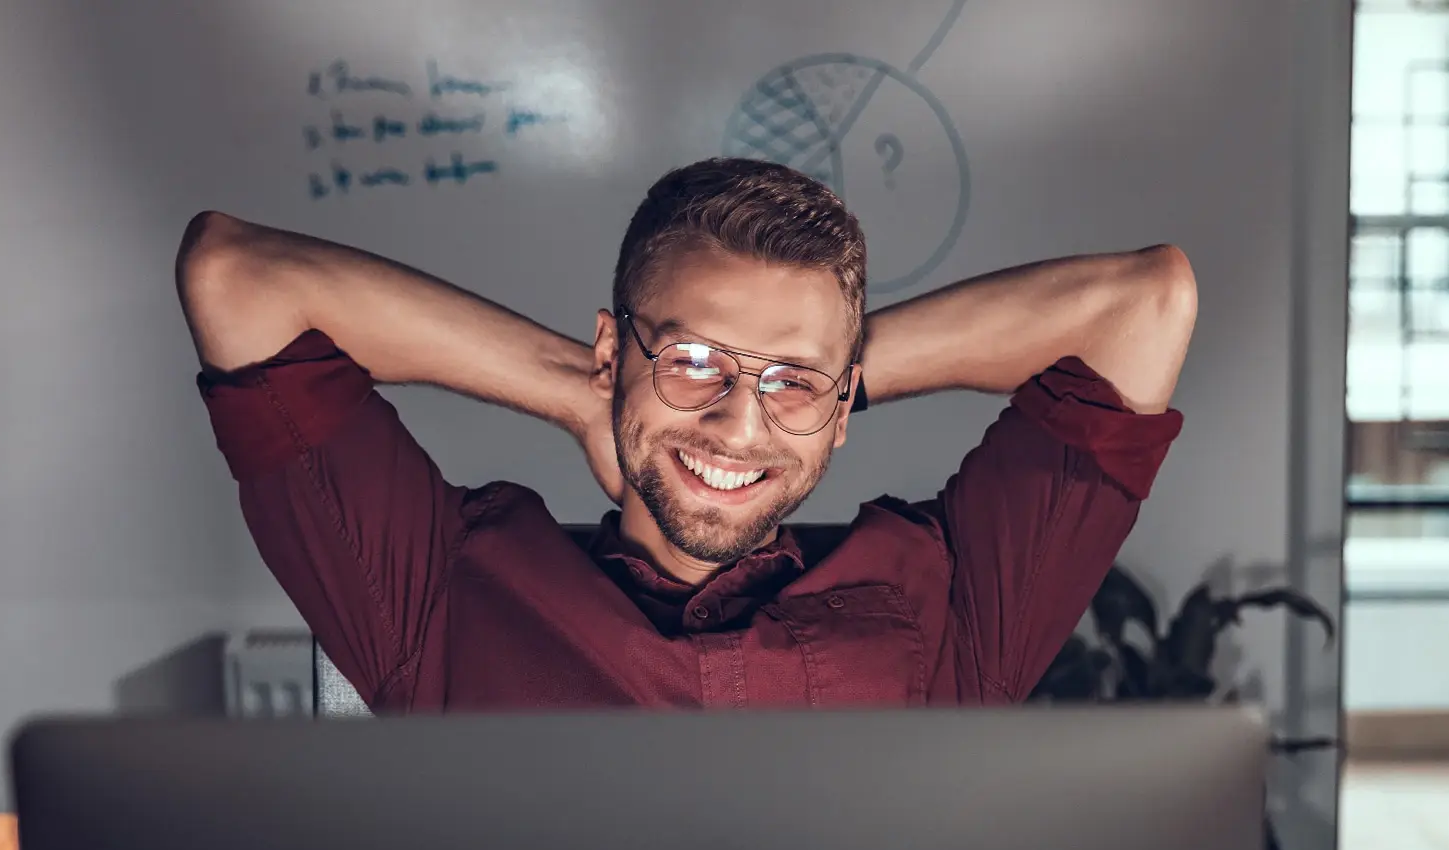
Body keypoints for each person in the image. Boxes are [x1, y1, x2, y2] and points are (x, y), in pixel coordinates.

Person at [177, 157, 1194, 711]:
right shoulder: (442, 590)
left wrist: (819, 380)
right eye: (695, 361)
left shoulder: (958, 602)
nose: (737, 425)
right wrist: (579, 390)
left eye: (793, 386)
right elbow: (239, 279)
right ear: (616, 352)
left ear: (843, 408)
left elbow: (1144, 305)